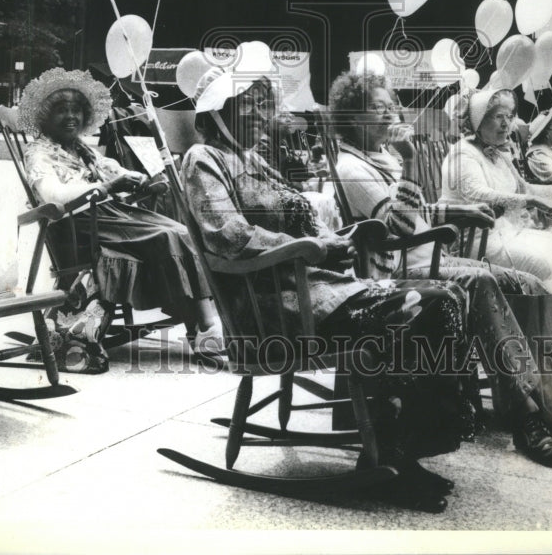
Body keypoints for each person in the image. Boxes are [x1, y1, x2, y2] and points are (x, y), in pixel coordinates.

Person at [182, 54, 480, 512]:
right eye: (255, 106)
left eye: (266, 105)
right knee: (431, 303)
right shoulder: (204, 158)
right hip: (274, 310)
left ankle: (402, 451)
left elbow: (307, 225)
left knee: (451, 295)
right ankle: (391, 457)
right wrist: (303, 248)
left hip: (317, 288)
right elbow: (228, 236)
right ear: (224, 109)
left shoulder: (253, 161)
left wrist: (337, 239)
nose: (266, 116)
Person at [328, 70, 552, 466]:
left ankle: (551, 389)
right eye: (380, 107)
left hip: (426, 259)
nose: (392, 112)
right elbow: (398, 226)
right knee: (482, 278)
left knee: (526, 282)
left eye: (392, 105)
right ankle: (526, 415)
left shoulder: (380, 156)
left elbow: (418, 211)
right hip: (399, 272)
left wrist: (456, 209)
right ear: (355, 117)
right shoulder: (353, 169)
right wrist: (409, 162)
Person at [18, 68, 222, 359]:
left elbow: (115, 169)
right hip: (76, 226)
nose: (71, 117)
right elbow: (53, 196)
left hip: (107, 215)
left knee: (180, 230)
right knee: (170, 234)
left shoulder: (83, 151)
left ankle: (201, 325)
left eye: (76, 110)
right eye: (62, 110)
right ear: (45, 116)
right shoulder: (39, 152)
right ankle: (205, 326)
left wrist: (140, 180)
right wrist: (108, 186)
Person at [440, 88, 552, 405]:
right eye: (499, 117)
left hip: (504, 232)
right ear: (479, 120)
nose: (506, 124)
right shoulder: (462, 154)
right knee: (541, 263)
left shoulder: (498, 153)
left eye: (509, 117)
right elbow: (478, 194)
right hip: (474, 243)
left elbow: (523, 187)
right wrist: (529, 200)